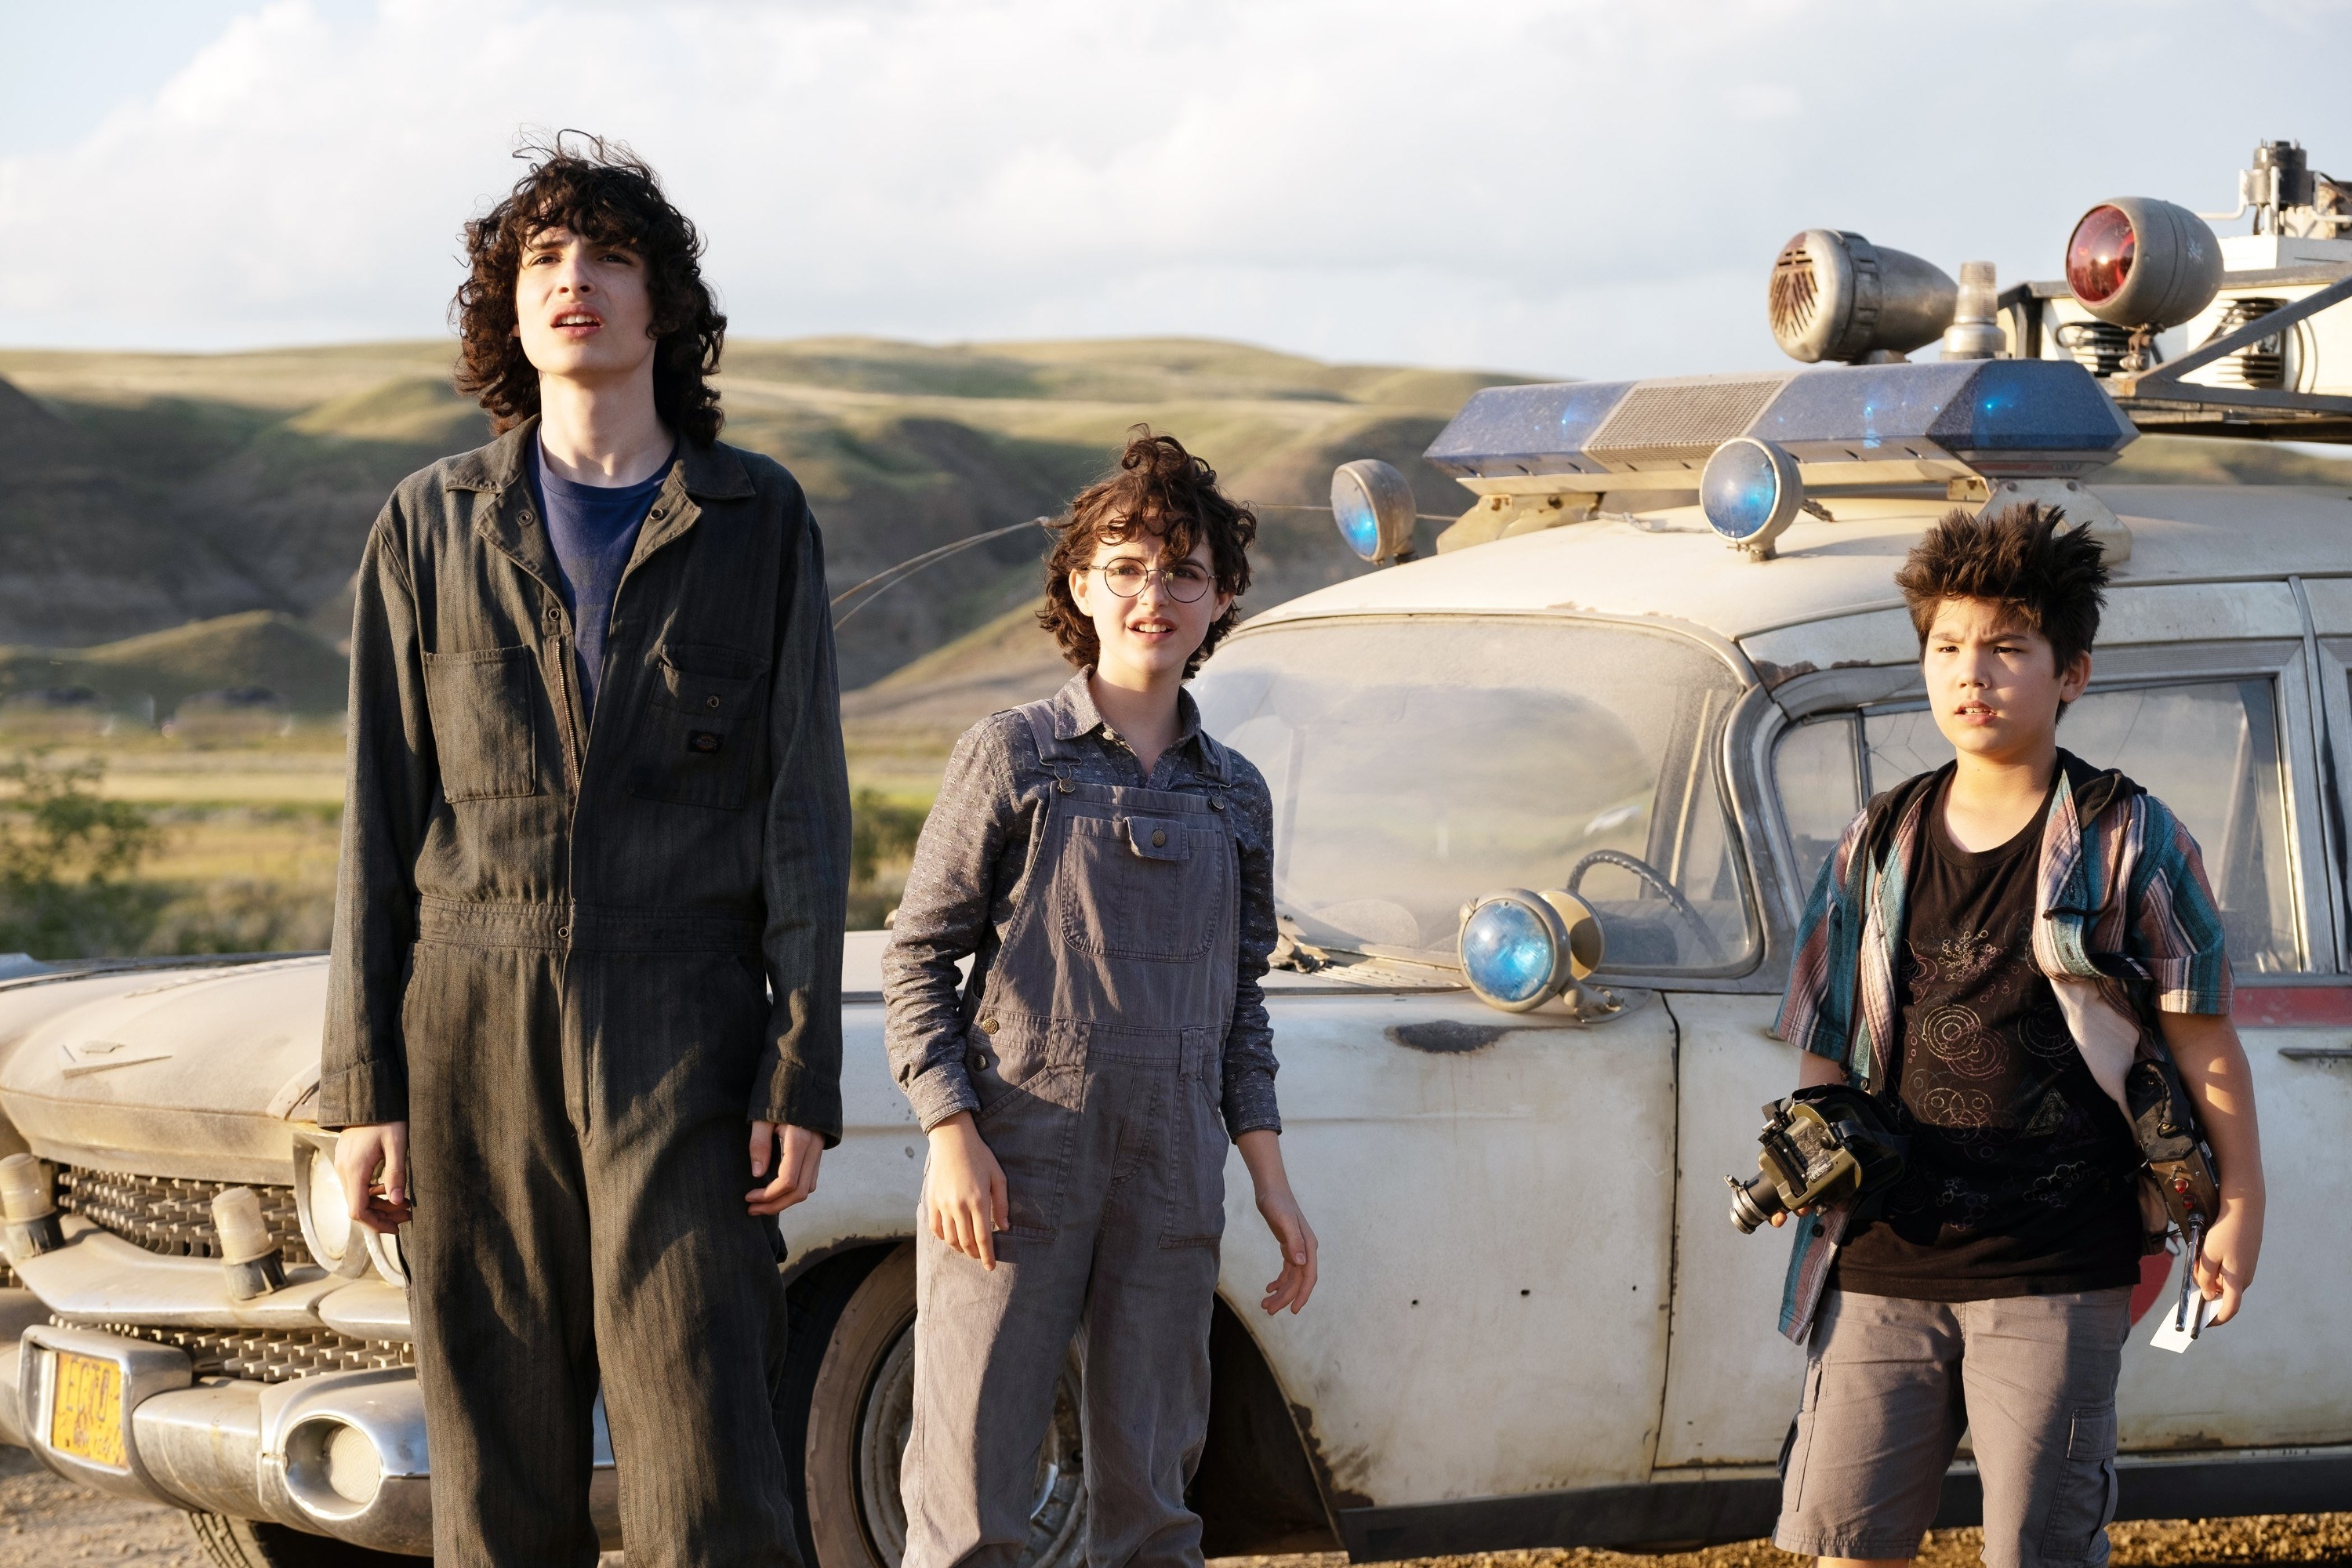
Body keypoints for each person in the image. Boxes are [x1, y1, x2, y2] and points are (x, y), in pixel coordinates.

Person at [319, 137, 851, 1566]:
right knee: (495, 1466)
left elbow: (805, 811)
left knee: (707, 1454)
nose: (575, 284)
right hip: (469, 1018)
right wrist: (365, 1086)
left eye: (608, 258)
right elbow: (376, 820)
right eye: (543, 262)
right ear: (508, 309)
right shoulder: (429, 526)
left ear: (662, 304)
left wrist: (800, 1069)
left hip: (685, 1021)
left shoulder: (758, 518)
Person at [1769, 503, 2265, 1568]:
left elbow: (2204, 1043)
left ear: (2070, 673)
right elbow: (1828, 1029)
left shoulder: (2132, 835)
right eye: (1948, 646)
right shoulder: (1879, 837)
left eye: (2007, 648)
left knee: (2038, 1550)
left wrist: (2240, 1209)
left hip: (2057, 1267)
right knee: (1845, 1546)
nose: (1972, 673)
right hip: (1881, 1266)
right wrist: (1807, 1160)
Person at [882, 430, 1318, 1568]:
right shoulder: (1013, 754)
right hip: (1017, 1149)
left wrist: (1270, 1183)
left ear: (1221, 598)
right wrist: (950, 1133)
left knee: (1153, 1503)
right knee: (972, 1495)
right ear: (1083, 585)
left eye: (1183, 573)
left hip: (1176, 1157)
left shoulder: (1238, 794)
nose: (1153, 596)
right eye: (1126, 567)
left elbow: (1241, 1009)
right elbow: (917, 956)